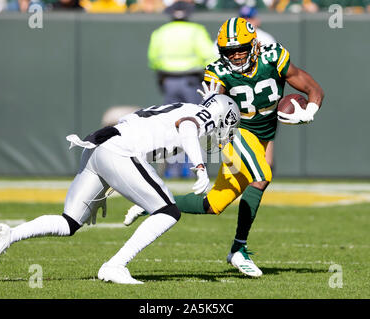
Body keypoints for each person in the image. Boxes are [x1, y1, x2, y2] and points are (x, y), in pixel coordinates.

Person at [125, 17, 324, 278]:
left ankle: (153, 201)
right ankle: (239, 249)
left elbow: (312, 87)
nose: (237, 55)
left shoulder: (273, 57)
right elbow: (213, 105)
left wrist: (310, 110)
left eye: (241, 48)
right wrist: (210, 105)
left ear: (253, 45)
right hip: (234, 136)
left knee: (212, 204)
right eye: (230, 51)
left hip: (260, 137)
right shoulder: (217, 71)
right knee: (262, 177)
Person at [0, 94, 240, 284]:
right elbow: (187, 127)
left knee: (69, 222)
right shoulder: (202, 117)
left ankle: (10, 234)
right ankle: (115, 265)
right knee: (169, 212)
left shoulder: (185, 107)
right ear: (224, 116)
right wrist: (200, 167)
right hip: (119, 151)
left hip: (100, 146)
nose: (227, 133)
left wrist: (109, 181)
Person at [147, 0, 218, 178]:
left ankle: (173, 169)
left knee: (171, 125)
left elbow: (152, 58)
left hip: (169, 80)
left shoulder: (160, 32)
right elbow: (209, 57)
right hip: (191, 81)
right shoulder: (196, 31)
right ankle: (193, 167)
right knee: (194, 124)